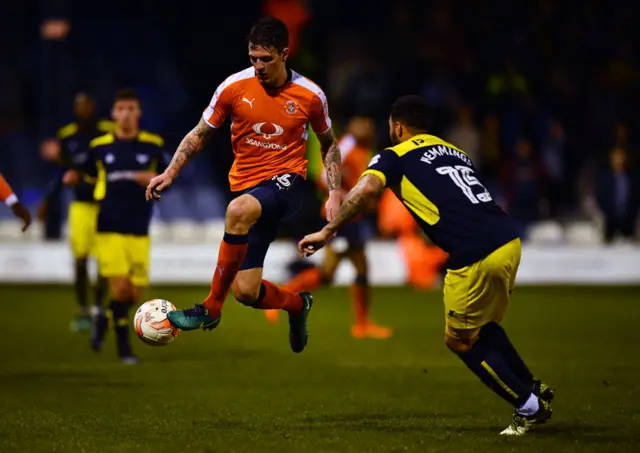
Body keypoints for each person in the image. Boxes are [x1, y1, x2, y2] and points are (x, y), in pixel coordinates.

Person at [298, 95, 554, 436]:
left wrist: (329, 228)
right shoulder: (453, 149)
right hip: (508, 239)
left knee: (460, 341)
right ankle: (532, 386)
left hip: (474, 250)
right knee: (485, 325)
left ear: (398, 127)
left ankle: (527, 406)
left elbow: (364, 191)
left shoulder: (394, 156)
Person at [146, 17, 343, 354]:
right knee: (247, 292)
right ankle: (297, 305)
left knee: (237, 211)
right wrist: (170, 172)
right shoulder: (233, 87)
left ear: (284, 54)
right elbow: (200, 134)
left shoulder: (311, 95)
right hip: (248, 187)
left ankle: (210, 307)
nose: (258, 66)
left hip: (288, 182)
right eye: (253, 58)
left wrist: (336, 192)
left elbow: (330, 144)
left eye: (265, 59)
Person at [264, 115, 392, 339]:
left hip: (349, 217)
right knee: (345, 270)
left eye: (369, 124)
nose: (367, 127)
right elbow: (324, 175)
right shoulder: (348, 145)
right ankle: (361, 324)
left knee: (336, 272)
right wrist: (347, 196)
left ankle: (280, 298)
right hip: (340, 216)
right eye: (362, 123)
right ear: (352, 126)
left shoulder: (364, 150)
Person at [64, 89, 167, 363]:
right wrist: (74, 178)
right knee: (120, 289)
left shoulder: (153, 145)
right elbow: (86, 175)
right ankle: (124, 348)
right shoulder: (99, 147)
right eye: (121, 108)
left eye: (132, 108)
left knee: (134, 293)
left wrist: (155, 179)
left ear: (139, 113)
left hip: (140, 228)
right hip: (108, 226)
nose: (127, 114)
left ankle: (104, 320)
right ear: (113, 114)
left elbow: (169, 178)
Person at [41, 92, 113, 332]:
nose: (84, 110)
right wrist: (48, 200)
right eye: (79, 106)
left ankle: (98, 308)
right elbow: (60, 174)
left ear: (93, 107)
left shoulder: (107, 131)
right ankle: (83, 309)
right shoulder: (67, 135)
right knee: (81, 260)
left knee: (104, 262)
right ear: (75, 109)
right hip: (81, 207)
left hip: (104, 205)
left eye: (87, 106)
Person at [596, 147, 638, 244]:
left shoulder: (632, 178)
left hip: (628, 219)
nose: (619, 160)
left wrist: (632, 213)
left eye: (621, 157)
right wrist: (607, 212)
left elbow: (635, 198)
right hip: (610, 220)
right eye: (616, 157)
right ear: (612, 159)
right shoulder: (605, 178)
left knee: (628, 247)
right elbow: (600, 196)